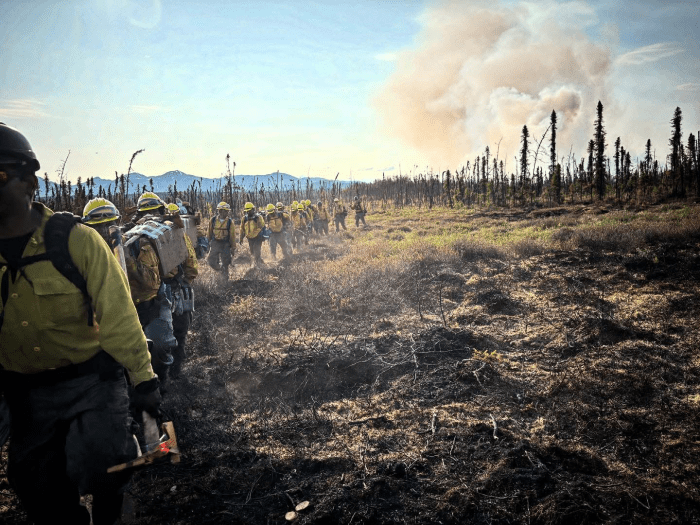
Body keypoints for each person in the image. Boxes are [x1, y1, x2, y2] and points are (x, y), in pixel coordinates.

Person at [0, 122, 160, 524]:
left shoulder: (75, 241)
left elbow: (119, 314)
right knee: (39, 492)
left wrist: (144, 380)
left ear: (26, 180)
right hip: (25, 396)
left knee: (107, 467)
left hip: (92, 384)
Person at [163, 203, 198, 380]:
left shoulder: (128, 237)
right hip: (176, 291)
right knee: (179, 332)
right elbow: (192, 266)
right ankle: (175, 372)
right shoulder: (178, 235)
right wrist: (183, 282)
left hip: (143, 299)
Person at [207, 201, 236, 280]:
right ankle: (220, 269)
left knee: (225, 262)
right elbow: (209, 232)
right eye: (225, 211)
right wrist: (209, 243)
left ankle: (225, 280)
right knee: (211, 261)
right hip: (215, 242)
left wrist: (233, 248)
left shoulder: (230, 222)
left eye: (227, 211)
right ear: (220, 211)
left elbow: (232, 236)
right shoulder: (213, 220)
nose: (227, 213)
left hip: (225, 244)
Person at [239, 201, 266, 267]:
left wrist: (262, 235)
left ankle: (258, 266)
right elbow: (242, 229)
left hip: (258, 237)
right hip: (250, 238)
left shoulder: (258, 217)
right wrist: (241, 238)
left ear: (253, 209)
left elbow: (262, 226)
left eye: (249, 210)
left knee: (256, 250)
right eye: (247, 211)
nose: (248, 212)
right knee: (252, 252)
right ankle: (260, 262)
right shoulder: (244, 219)